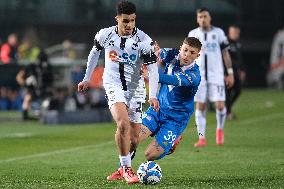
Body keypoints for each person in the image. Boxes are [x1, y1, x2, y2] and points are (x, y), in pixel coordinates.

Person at [77, 1, 159, 184]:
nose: (129, 25)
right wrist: (86, 78)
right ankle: (127, 169)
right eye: (125, 21)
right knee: (123, 124)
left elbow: (153, 70)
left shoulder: (144, 41)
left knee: (135, 138)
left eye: (132, 21)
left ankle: (122, 167)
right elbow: (93, 54)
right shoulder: (105, 35)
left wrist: (152, 94)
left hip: (135, 88)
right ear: (117, 19)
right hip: (113, 84)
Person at [136, 37, 202, 161]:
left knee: (150, 155)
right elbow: (158, 53)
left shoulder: (194, 76)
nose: (187, 55)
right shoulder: (172, 54)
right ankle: (123, 169)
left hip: (175, 119)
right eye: (185, 50)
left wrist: (150, 75)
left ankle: (174, 140)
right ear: (181, 48)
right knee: (133, 137)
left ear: (198, 55)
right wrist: (154, 53)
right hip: (158, 109)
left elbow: (172, 80)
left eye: (192, 53)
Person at [188, 8, 234, 147]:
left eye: (205, 16)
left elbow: (226, 54)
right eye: (200, 17)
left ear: (210, 18)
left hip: (217, 75)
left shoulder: (218, 33)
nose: (203, 19)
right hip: (198, 76)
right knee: (200, 106)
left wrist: (230, 72)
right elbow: (188, 55)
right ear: (197, 19)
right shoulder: (193, 34)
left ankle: (219, 130)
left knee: (220, 105)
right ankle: (201, 138)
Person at [226, 25, 245, 120]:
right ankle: (228, 112)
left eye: (237, 32)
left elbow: (240, 58)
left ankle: (227, 109)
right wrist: (226, 73)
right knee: (228, 92)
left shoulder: (238, 44)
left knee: (238, 90)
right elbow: (225, 59)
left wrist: (242, 70)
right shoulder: (225, 43)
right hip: (228, 72)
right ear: (229, 33)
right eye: (233, 32)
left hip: (236, 72)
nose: (235, 34)